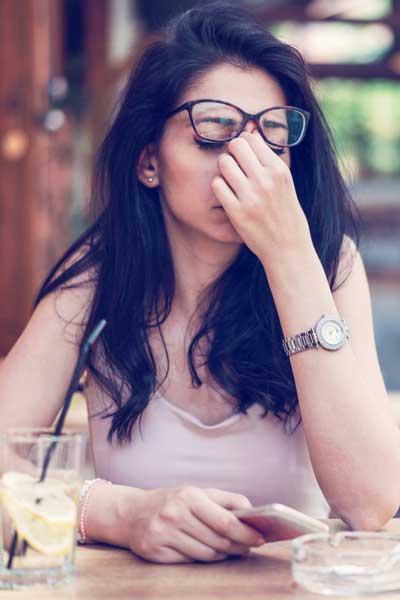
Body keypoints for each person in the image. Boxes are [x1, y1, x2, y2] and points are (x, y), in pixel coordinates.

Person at [1, 0, 399, 565]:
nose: (247, 161)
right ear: (149, 162)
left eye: (273, 137)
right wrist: (120, 513)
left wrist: (289, 255)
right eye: (214, 132)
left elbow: (372, 505)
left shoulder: (330, 267)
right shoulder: (100, 276)